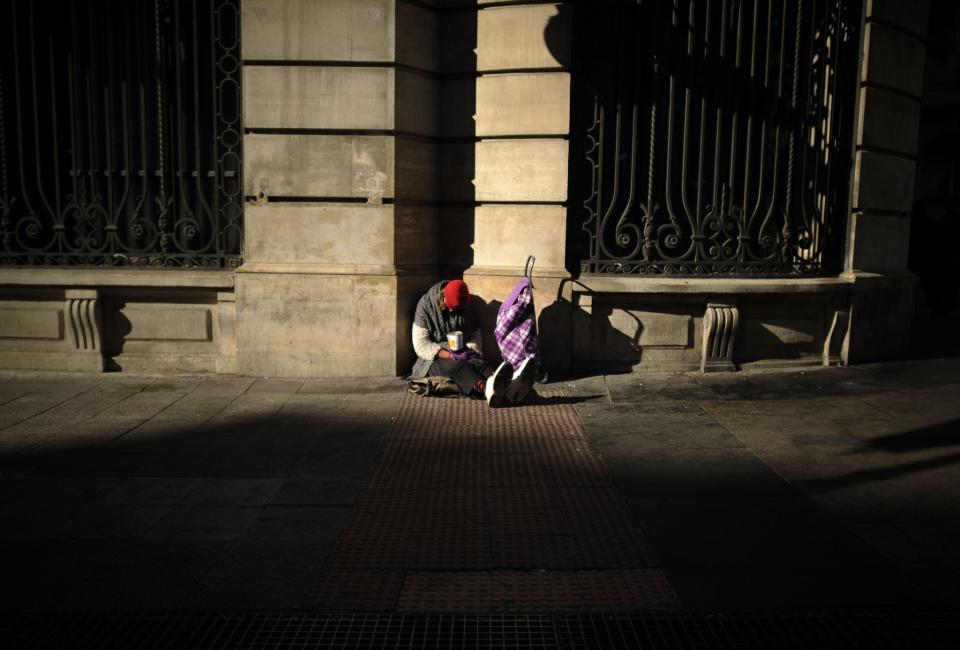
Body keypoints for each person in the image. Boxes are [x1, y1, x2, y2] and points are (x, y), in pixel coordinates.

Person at [410, 279, 535, 406]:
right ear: (443, 296)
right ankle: (488, 389)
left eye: (457, 310)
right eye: (451, 308)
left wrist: (470, 349)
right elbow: (420, 344)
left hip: (462, 349)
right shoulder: (425, 305)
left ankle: (507, 386)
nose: (453, 312)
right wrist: (450, 355)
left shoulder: (468, 304)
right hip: (434, 359)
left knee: (478, 363)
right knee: (458, 366)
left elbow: (476, 335)